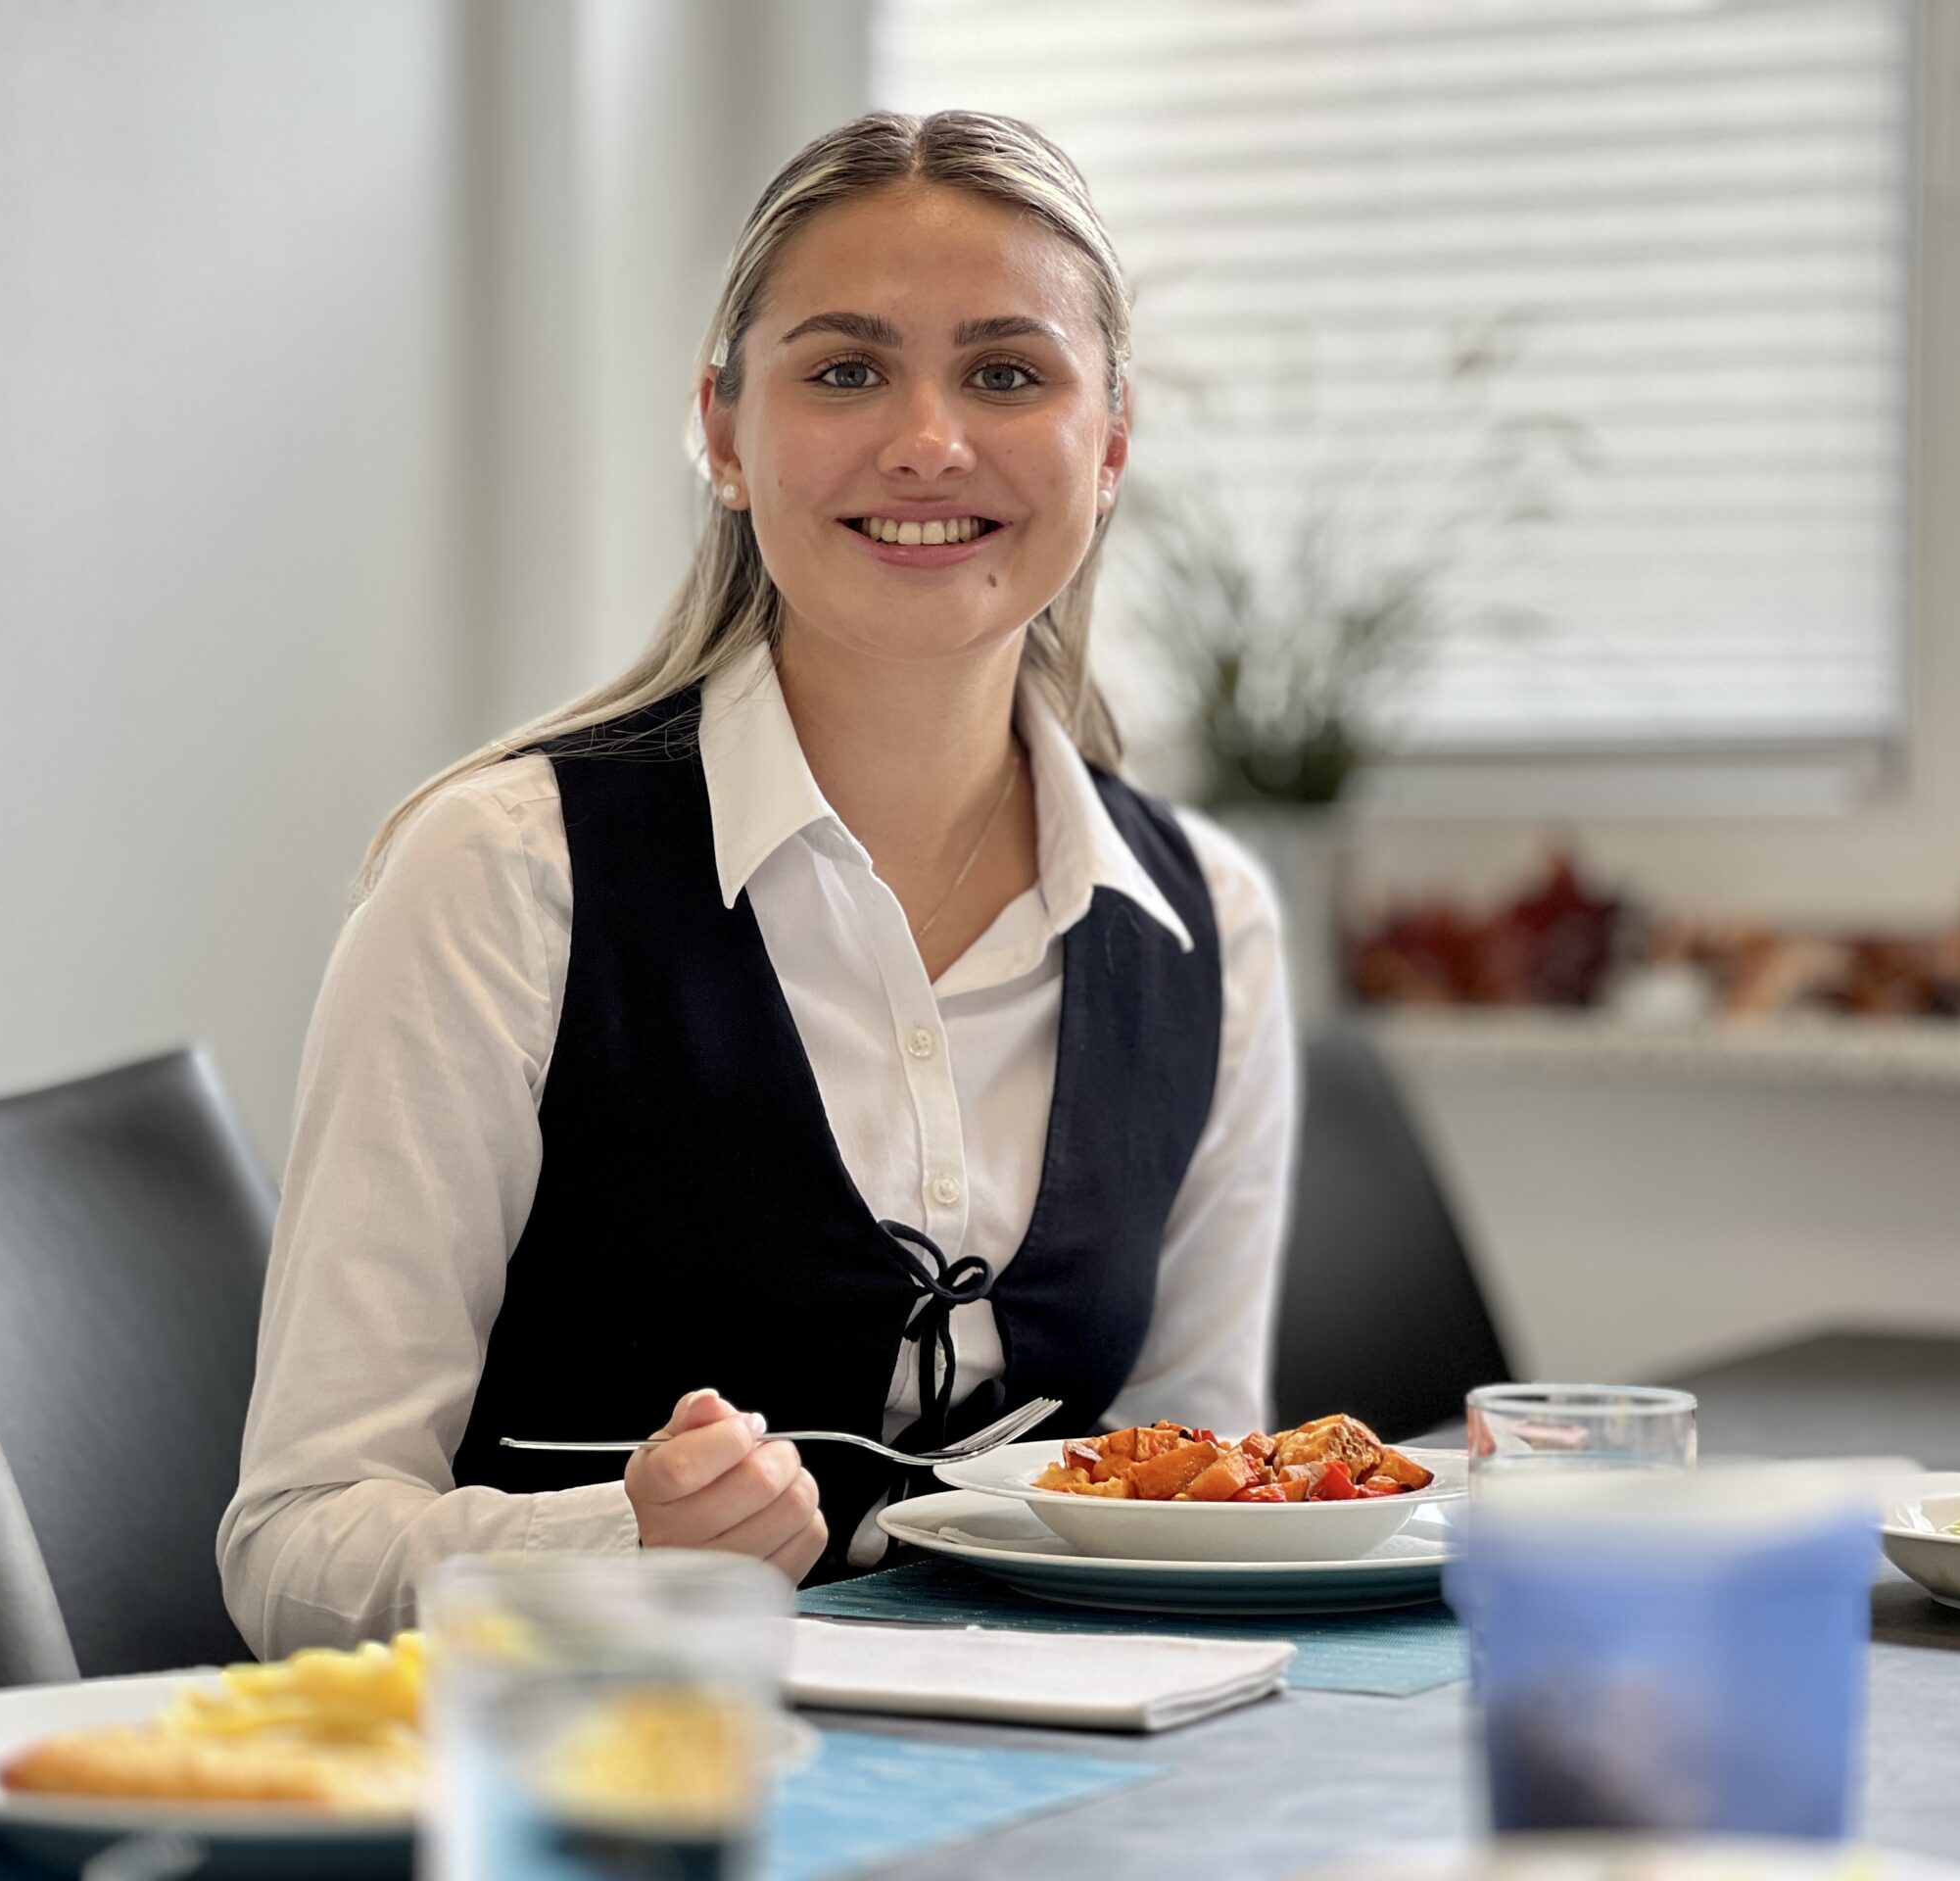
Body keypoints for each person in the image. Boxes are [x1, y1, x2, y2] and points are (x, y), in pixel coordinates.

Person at [218, 111, 1296, 1657]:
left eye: (1008, 373)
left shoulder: (1212, 928)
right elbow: (295, 1550)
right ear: (723, 435)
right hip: (608, 1758)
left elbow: (1209, 1515)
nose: (928, 442)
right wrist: (625, 1542)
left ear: (1111, 444)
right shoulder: (503, 875)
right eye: (846, 370)